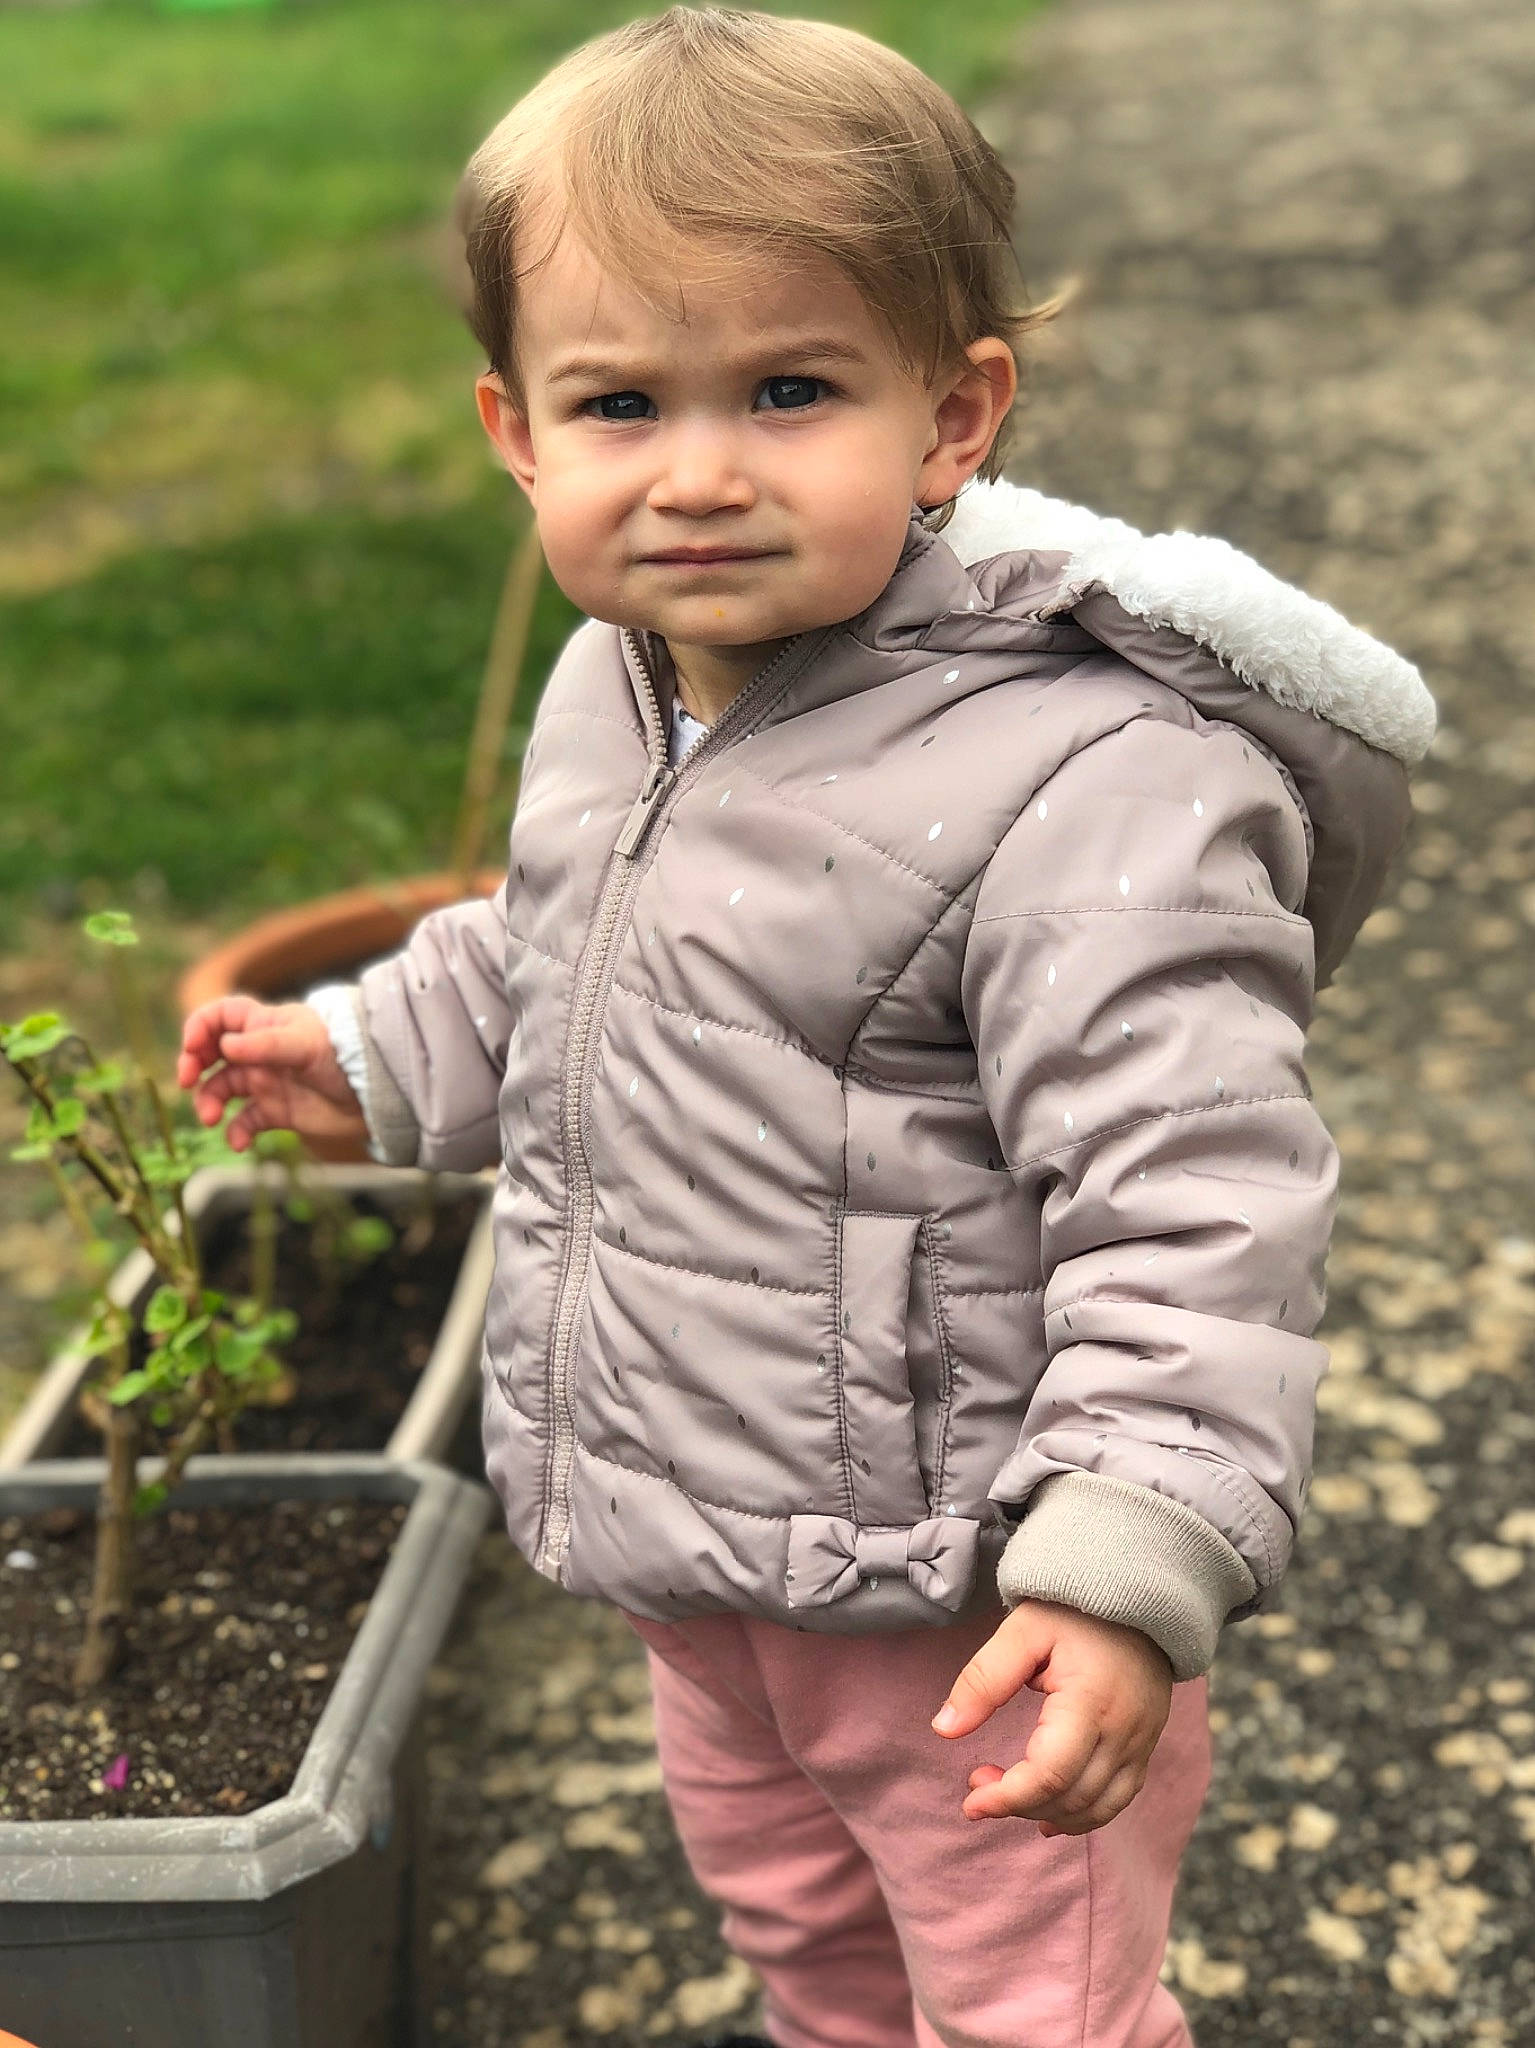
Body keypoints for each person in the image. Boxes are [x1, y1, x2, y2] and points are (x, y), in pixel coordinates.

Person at [178, 10, 1435, 2044]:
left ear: (954, 417)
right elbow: (568, 949)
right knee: (806, 1941)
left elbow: (1193, 1196)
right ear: (516, 430)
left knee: (1035, 2000)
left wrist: (1119, 1559)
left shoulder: (1087, 781)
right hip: (709, 1549)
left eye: (787, 390)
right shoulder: (626, 685)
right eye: (618, 402)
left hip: (972, 1593)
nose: (696, 473)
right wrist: (372, 1050)